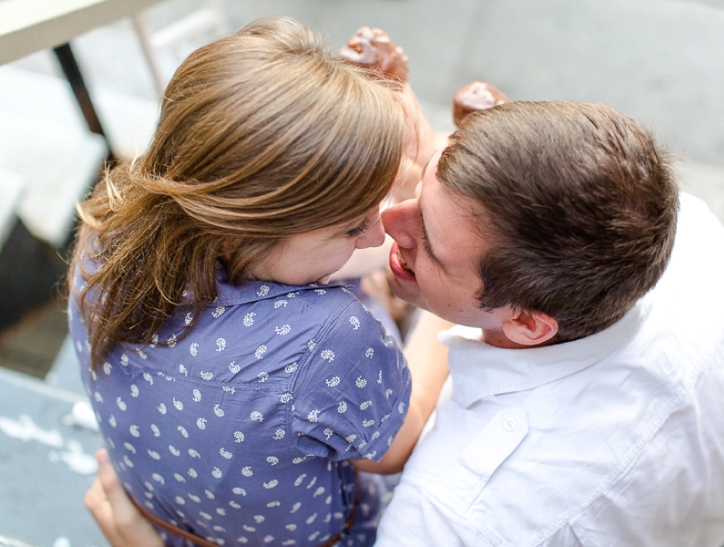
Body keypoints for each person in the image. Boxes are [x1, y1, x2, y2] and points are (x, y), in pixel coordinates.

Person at [85, 100, 724, 547]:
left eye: (429, 240)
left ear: (528, 322)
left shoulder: (447, 520)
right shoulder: (693, 238)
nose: (385, 222)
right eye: (421, 187)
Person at [69, 17, 449, 547]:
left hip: (167, 522)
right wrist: (445, 299)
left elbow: (271, 268)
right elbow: (397, 446)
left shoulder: (105, 235)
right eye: (349, 225)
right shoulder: (332, 340)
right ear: (236, 230)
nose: (374, 236)